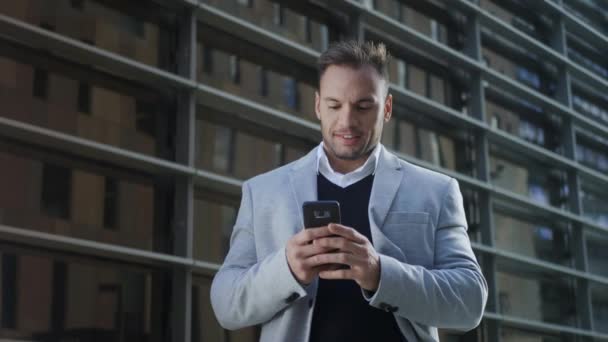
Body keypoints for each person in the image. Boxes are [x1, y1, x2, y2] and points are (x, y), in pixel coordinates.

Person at [210, 40, 487, 342]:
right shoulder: (262, 192)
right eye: (334, 105)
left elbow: (470, 302)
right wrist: (286, 269)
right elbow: (226, 304)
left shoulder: (437, 190)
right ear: (318, 106)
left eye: (363, 106)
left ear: (387, 108)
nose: (347, 121)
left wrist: (380, 273)